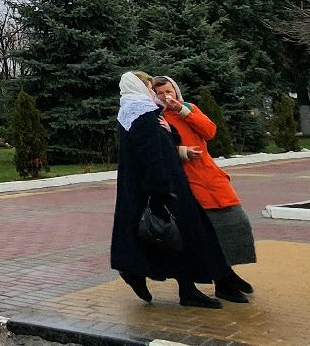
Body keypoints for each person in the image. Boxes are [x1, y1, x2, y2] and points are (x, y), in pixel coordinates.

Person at [108, 71, 240, 308]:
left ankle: (142, 274)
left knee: (167, 239)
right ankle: (183, 288)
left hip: (146, 188)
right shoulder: (144, 113)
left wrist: (169, 131)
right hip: (166, 187)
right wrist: (161, 191)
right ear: (139, 87)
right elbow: (152, 156)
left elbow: (160, 143)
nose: (152, 91)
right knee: (182, 237)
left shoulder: (130, 112)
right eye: (149, 86)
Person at [152, 76, 257, 291]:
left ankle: (228, 272)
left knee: (238, 221)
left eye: (169, 91)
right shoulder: (157, 117)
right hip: (189, 180)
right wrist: (181, 152)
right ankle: (222, 278)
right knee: (211, 229)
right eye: (160, 93)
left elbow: (209, 131)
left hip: (212, 176)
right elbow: (157, 149)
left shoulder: (189, 108)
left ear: (176, 90)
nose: (166, 97)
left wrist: (184, 111)